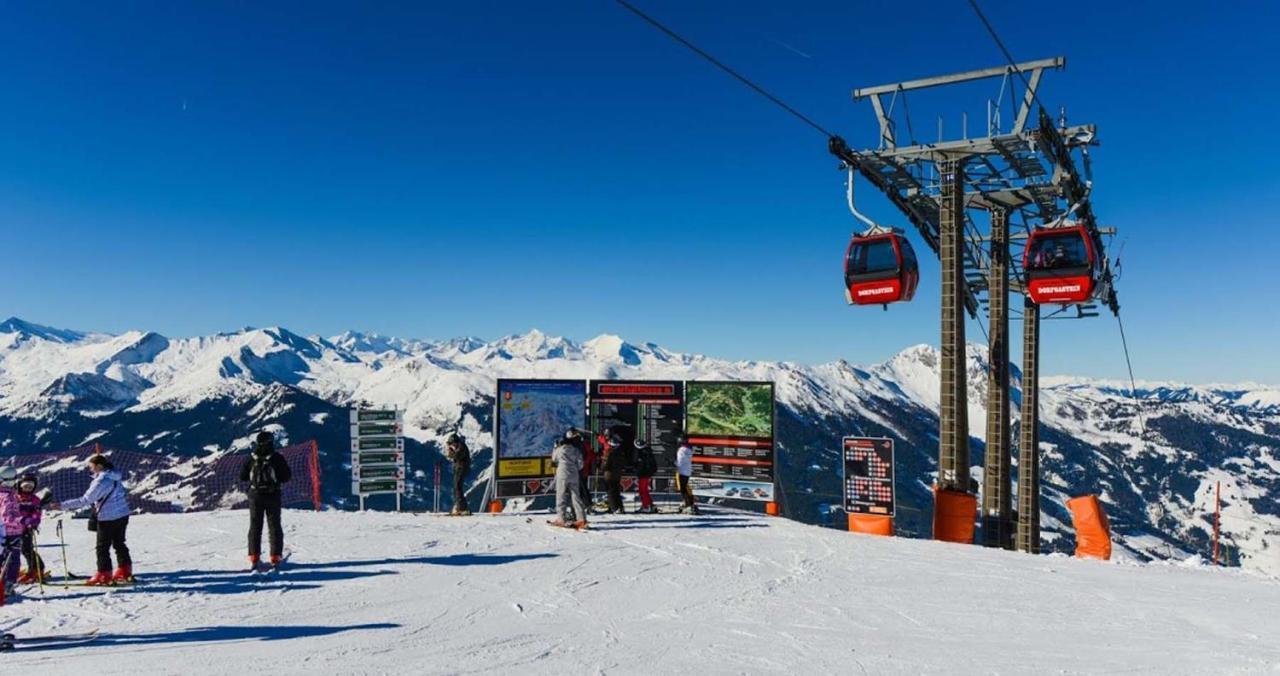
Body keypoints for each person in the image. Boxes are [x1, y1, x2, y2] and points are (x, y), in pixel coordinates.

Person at [48, 455, 132, 586]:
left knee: (102, 547)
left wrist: (61, 505)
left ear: (99, 466)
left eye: (91, 466)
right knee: (119, 543)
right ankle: (125, 570)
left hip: (108, 516)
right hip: (122, 514)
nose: (90, 469)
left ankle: (104, 573)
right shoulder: (114, 475)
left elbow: (85, 500)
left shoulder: (101, 482)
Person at [239, 431, 292, 569]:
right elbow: (286, 477)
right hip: (273, 494)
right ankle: (275, 557)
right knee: (274, 525)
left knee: (255, 526)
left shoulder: (251, 458)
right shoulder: (276, 457)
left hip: (255, 495)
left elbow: (242, 476)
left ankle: (254, 557)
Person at [550, 428, 588, 529]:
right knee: (576, 496)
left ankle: (561, 518)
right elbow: (580, 464)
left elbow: (554, 459)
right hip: (574, 474)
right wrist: (574, 468)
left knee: (561, 496)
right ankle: (581, 519)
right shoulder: (576, 450)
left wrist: (555, 448)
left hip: (562, 474)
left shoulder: (559, 449)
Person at [16, 473, 48, 584]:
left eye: (30, 487)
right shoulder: (15, 497)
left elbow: (37, 513)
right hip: (13, 528)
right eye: (25, 486)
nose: (28, 488)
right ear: (20, 485)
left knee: (27, 549)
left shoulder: (34, 499)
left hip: (27, 528)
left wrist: (33, 521)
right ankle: (11, 568)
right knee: (12, 550)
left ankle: (36, 568)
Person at [0, 466, 23, 597]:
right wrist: (23, 519)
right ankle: (7, 585)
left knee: (2, 558)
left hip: (2, 532)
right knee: (13, 559)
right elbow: (7, 517)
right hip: (12, 532)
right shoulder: (8, 496)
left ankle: (4, 584)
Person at [601, 424, 634, 514]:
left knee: (611, 492)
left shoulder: (610, 453)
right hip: (617, 474)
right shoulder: (620, 453)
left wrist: (601, 467)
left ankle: (614, 508)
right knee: (616, 491)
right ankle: (619, 507)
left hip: (609, 474)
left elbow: (606, 465)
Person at [445, 433, 472, 516]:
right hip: (460, 468)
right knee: (456, 487)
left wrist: (451, 452)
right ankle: (460, 506)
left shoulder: (461, 446)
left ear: (454, 442)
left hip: (461, 468)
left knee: (457, 487)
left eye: (451, 443)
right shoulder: (460, 446)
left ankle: (462, 508)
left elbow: (457, 456)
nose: (451, 445)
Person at [675, 437, 699, 515]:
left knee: (683, 489)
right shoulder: (689, 449)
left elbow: (680, 461)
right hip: (687, 471)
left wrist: (674, 463)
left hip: (682, 471)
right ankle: (690, 503)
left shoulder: (682, 450)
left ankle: (688, 504)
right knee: (685, 488)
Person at [634, 440, 657, 514]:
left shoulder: (642, 454)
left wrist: (636, 469)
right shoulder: (648, 452)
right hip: (647, 473)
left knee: (642, 491)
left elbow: (640, 465)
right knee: (645, 490)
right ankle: (650, 504)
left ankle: (646, 506)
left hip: (643, 474)